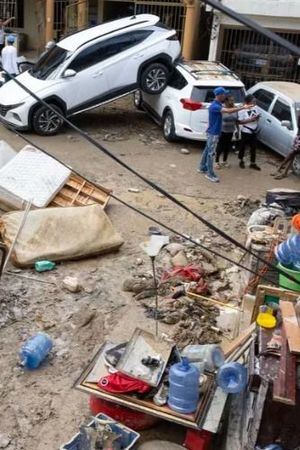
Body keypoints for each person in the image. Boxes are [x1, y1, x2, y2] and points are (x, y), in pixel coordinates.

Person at [198, 87, 253, 183]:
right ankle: (210, 174)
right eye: (224, 94)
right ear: (219, 95)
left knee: (207, 150)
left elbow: (229, 108)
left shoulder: (217, 104)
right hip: (213, 133)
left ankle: (202, 167)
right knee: (211, 153)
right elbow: (228, 111)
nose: (225, 96)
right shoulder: (215, 106)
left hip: (213, 132)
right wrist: (243, 107)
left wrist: (240, 106)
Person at [238, 94, 261, 170]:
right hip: (246, 131)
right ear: (249, 101)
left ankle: (252, 163)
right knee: (243, 147)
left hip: (254, 131)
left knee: (254, 147)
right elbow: (240, 122)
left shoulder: (256, 107)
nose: (255, 101)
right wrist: (251, 119)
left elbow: (257, 117)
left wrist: (257, 118)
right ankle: (241, 160)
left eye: (255, 100)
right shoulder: (243, 109)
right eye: (253, 100)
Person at [215, 95, 238, 168]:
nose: (232, 102)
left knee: (227, 147)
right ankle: (216, 161)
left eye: (233, 100)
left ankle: (224, 161)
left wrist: (238, 130)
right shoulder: (222, 108)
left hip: (231, 131)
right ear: (226, 101)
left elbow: (236, 120)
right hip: (222, 131)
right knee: (220, 147)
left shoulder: (235, 108)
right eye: (231, 100)